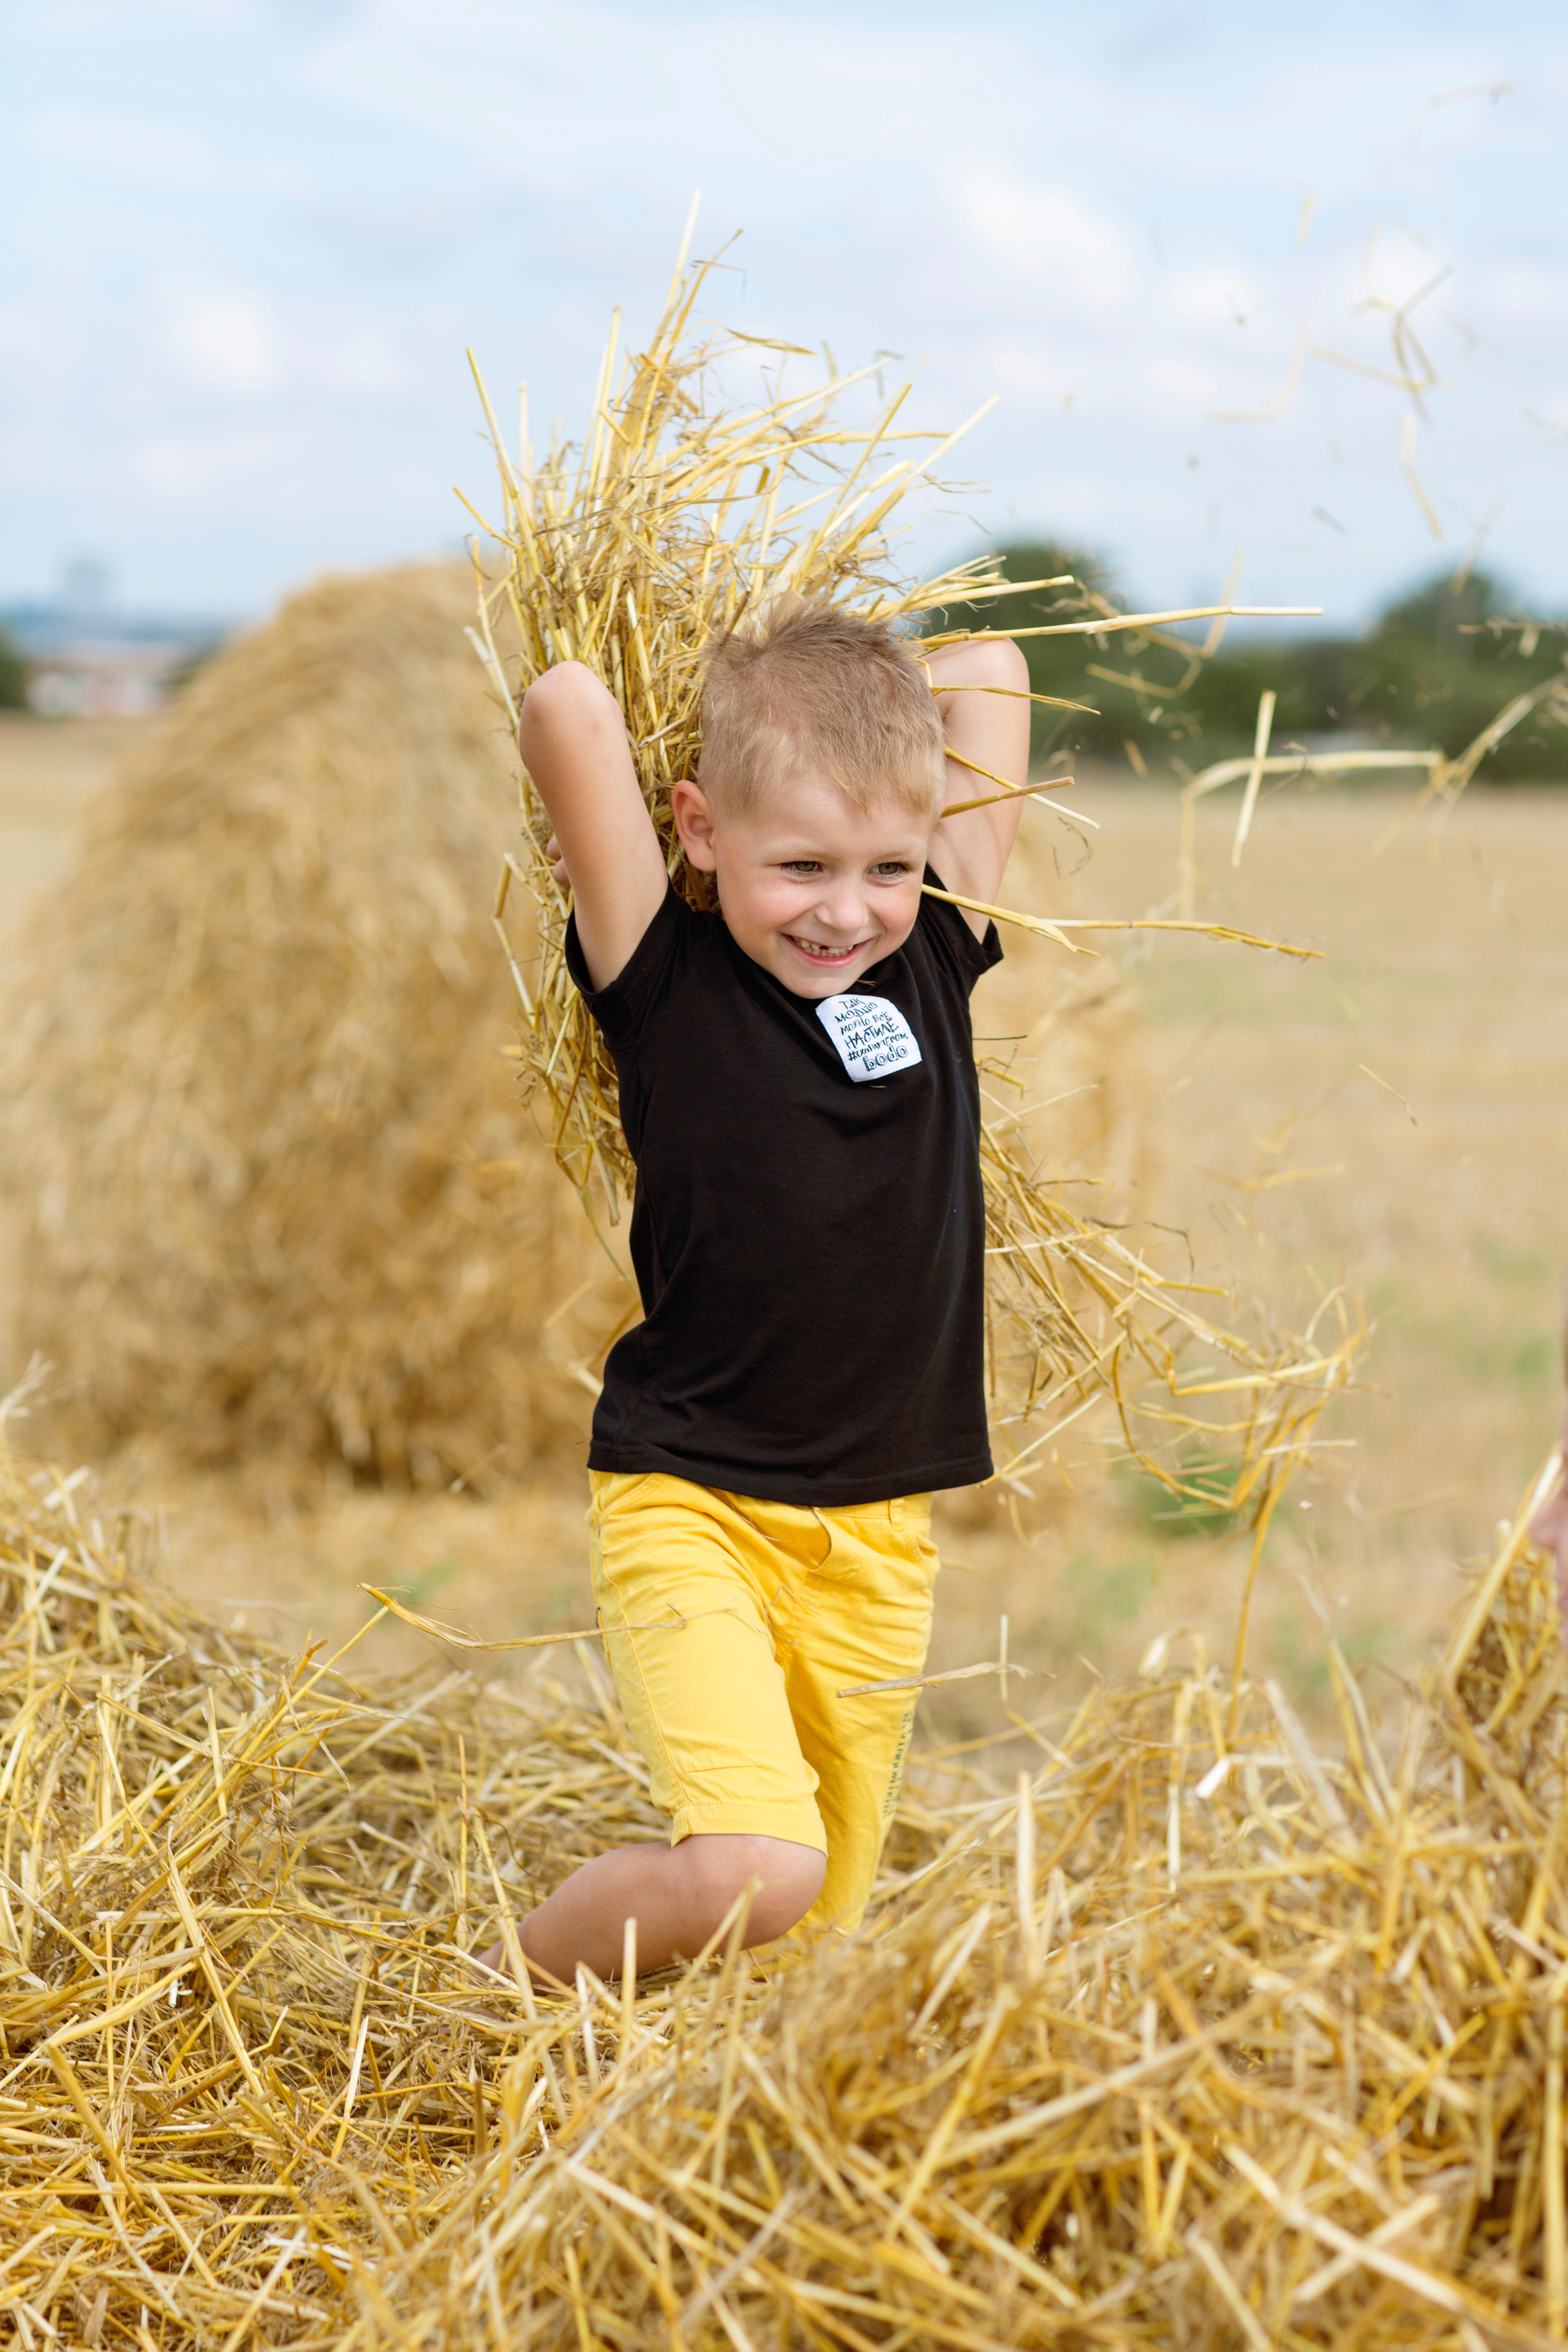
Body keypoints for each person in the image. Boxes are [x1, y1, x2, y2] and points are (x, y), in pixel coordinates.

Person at [483, 597, 1030, 1989]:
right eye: (798, 863)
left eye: (885, 864)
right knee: (756, 1869)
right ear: (699, 829)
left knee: (809, 1945)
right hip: (695, 1498)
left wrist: (842, 694)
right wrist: (722, 700)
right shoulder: (659, 974)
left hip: (881, 1529)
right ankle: (503, 1994)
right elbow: (563, 704)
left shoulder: (933, 956)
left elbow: (988, 668)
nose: (844, 909)